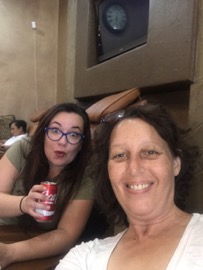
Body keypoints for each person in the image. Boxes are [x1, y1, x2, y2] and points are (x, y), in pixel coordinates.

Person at [55, 102, 203, 270]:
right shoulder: (85, 258)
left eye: (150, 152)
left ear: (176, 164)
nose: (133, 168)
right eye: (120, 155)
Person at [0, 102, 94, 269]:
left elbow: (67, 235)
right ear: (44, 134)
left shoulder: (85, 179)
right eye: (55, 131)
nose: (62, 142)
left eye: (73, 135)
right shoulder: (23, 149)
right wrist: (24, 203)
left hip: (37, 248)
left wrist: (10, 253)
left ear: (81, 144)